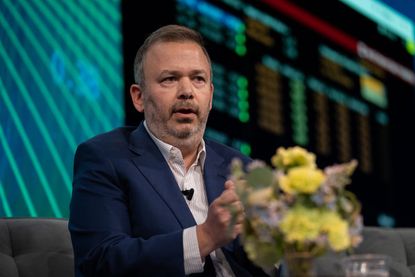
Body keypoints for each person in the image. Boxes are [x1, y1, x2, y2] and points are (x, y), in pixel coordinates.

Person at [68, 24, 270, 277]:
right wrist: (206, 236)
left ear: (210, 95)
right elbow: (100, 262)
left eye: (198, 79)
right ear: (139, 97)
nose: (187, 92)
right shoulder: (105, 158)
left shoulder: (239, 166)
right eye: (170, 79)